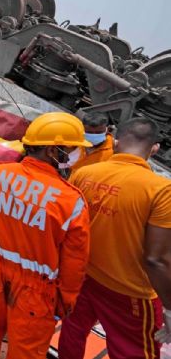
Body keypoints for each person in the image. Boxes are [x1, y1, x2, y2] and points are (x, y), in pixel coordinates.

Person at [0, 112, 92, 359]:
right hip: (36, 293)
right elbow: (74, 264)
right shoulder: (71, 201)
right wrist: (64, 304)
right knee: (26, 354)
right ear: (54, 151)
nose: (76, 154)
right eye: (72, 148)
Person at [58, 117, 171, 359]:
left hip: (83, 275)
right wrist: (169, 307)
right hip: (130, 291)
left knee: (73, 329)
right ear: (154, 148)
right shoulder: (160, 190)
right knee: (133, 350)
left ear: (116, 141)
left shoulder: (83, 173)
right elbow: (156, 259)